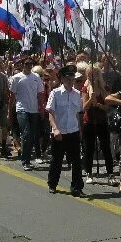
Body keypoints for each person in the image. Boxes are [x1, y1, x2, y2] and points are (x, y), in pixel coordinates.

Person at [46, 65, 84, 196]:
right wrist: (55, 129)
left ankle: (77, 187)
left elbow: (79, 114)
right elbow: (51, 112)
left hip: (73, 131)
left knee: (76, 161)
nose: (70, 80)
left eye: (72, 77)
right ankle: (52, 184)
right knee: (57, 160)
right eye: (67, 77)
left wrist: (80, 130)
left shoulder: (77, 94)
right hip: (60, 132)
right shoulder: (55, 93)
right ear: (62, 78)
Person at [9, 58, 45, 171]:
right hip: (21, 109)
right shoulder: (16, 78)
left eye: (31, 64)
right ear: (22, 65)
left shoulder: (36, 77)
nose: (29, 66)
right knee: (26, 134)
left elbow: (40, 94)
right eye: (26, 64)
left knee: (32, 135)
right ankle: (25, 161)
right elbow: (12, 96)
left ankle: (27, 157)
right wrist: (9, 112)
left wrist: (41, 108)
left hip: (34, 110)